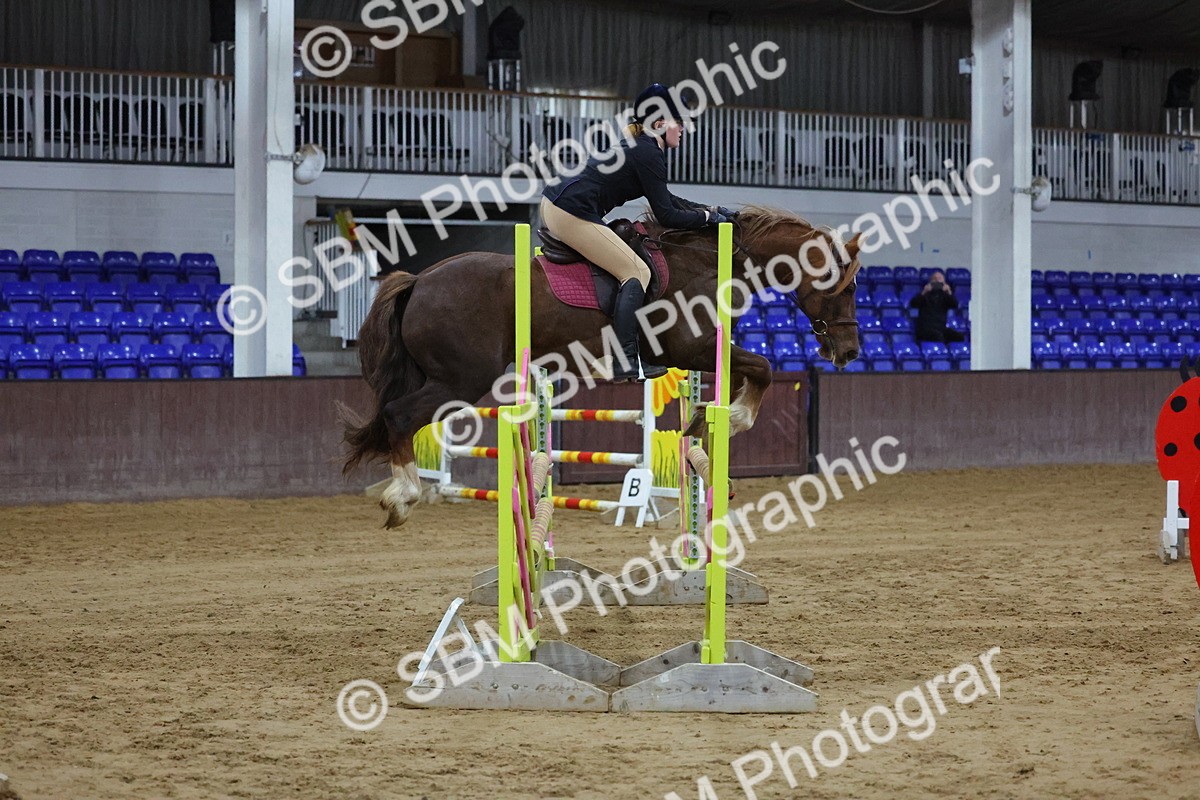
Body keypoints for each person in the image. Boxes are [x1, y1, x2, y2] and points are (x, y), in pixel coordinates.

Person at [540, 83, 734, 382]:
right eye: (678, 121)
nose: (683, 128)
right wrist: (708, 218)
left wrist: (714, 210)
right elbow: (667, 214)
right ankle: (624, 359)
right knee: (636, 271)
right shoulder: (647, 152)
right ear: (659, 124)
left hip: (562, 204)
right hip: (569, 210)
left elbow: (668, 200)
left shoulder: (644, 147)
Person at [908, 271, 965, 343]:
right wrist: (924, 292)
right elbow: (913, 304)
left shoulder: (945, 296)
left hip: (941, 328)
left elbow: (954, 305)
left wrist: (949, 292)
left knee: (959, 337)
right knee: (938, 337)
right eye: (935, 279)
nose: (937, 281)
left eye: (940, 279)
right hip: (925, 329)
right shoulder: (925, 295)